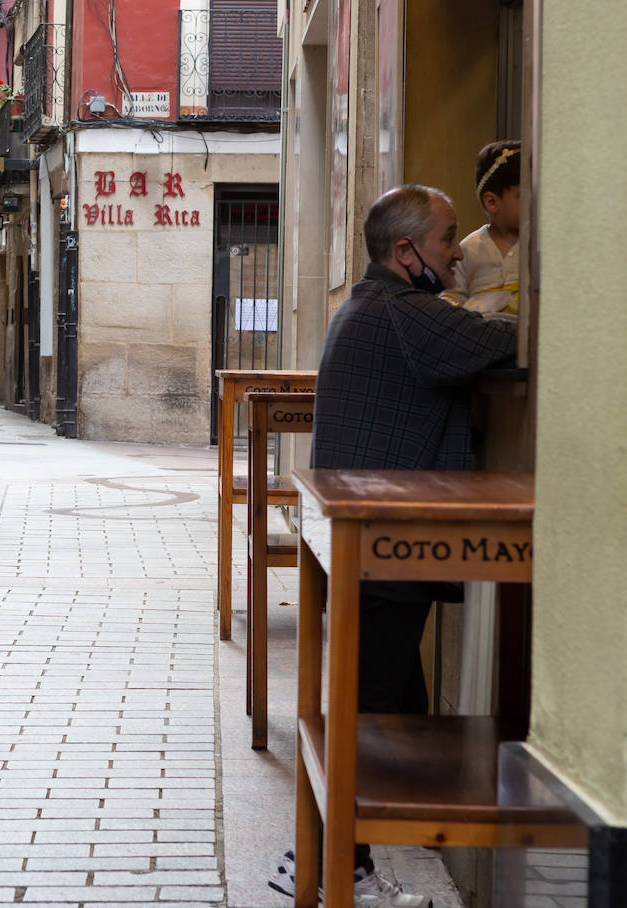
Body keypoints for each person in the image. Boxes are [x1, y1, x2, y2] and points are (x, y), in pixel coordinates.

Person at [269, 185, 517, 906]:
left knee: (393, 715)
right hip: (383, 542)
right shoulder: (407, 312)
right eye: (446, 239)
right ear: (406, 252)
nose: (455, 250)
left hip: (369, 539)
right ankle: (324, 864)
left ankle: (338, 864)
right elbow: (498, 343)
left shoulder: (372, 304)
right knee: (373, 714)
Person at [442, 140, 520, 320]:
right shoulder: (469, 249)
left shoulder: (538, 245)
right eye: (522, 196)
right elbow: (452, 295)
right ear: (492, 202)